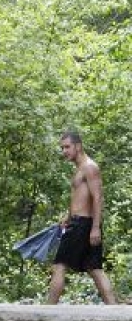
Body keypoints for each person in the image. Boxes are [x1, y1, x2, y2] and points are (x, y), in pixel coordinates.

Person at [48, 131, 118, 305]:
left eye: (67, 147)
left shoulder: (89, 167)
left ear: (78, 146)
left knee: (59, 265)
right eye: (62, 148)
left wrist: (95, 228)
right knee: (95, 269)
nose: (64, 151)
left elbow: (97, 198)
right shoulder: (80, 168)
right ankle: (116, 311)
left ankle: (46, 313)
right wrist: (68, 215)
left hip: (82, 225)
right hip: (81, 222)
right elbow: (82, 198)